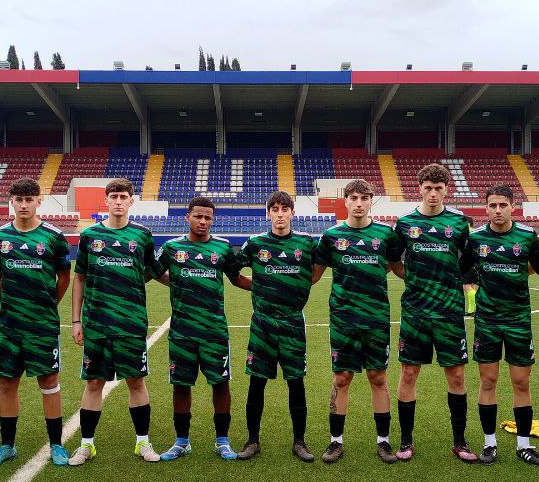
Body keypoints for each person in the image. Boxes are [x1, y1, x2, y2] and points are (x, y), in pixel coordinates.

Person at [70, 178, 161, 465]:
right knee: (94, 382)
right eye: (114, 196)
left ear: (131, 201)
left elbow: (151, 270)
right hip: (96, 323)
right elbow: (80, 277)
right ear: (106, 200)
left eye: (123, 196)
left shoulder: (143, 235)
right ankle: (86, 445)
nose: (118, 201)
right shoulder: (90, 235)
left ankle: (143, 442)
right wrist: (76, 321)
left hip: (131, 323)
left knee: (136, 381)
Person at [312, 179, 403, 463]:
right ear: (346, 201)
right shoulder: (331, 236)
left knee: (379, 377)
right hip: (343, 319)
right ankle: (335, 441)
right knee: (342, 378)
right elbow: (313, 275)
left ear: (371, 201)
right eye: (353, 198)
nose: (359, 203)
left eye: (364, 198)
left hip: (376, 318)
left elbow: (397, 268)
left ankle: (384, 441)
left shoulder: (385, 234)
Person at [0, 177, 71, 468]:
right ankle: (7, 445)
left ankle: (57, 445)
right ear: (11, 201)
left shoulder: (53, 236)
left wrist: (47, 304)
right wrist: (14, 303)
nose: (23, 205)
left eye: (29, 200)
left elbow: (64, 277)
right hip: (9, 324)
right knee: (7, 383)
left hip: (42, 323)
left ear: (38, 201)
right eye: (18, 200)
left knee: (49, 381)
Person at [393, 163, 475, 462]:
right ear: (420, 188)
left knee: (456, 375)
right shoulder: (405, 223)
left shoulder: (459, 222)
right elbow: (394, 260)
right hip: (415, 311)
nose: (433, 194)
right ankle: (406, 441)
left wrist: (453, 278)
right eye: (428, 188)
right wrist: (414, 279)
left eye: (438, 188)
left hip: (449, 311)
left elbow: (470, 258)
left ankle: (460, 441)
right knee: (408, 373)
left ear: (446, 190)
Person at [153, 197, 246, 461]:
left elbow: (236, 278)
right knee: (181, 385)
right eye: (198, 216)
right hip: (182, 331)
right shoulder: (172, 247)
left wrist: (269, 286)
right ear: (188, 217)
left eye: (207, 217)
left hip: (214, 331)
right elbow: (153, 271)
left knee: (221, 384)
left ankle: (222, 441)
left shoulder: (223, 247)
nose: (203, 221)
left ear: (212, 220)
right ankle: (182, 441)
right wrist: (174, 281)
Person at [468, 185, 539, 465]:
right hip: (487, 321)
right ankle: (489, 443)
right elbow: (461, 269)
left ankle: (524, 445)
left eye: (503, 205)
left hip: (518, 320)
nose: (498, 210)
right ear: (486, 208)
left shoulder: (527, 236)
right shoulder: (476, 238)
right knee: (488, 381)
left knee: (521, 382)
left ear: (513, 206)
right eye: (492, 205)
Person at [236, 191, 317, 461]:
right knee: (256, 382)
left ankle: (299, 442)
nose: (280, 214)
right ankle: (252, 441)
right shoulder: (255, 243)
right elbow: (233, 271)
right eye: (275, 209)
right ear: (268, 213)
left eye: (285, 209)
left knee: (296, 382)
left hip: (293, 322)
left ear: (293, 212)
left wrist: (300, 285)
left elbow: (319, 268)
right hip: (263, 323)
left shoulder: (306, 243)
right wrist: (257, 286)